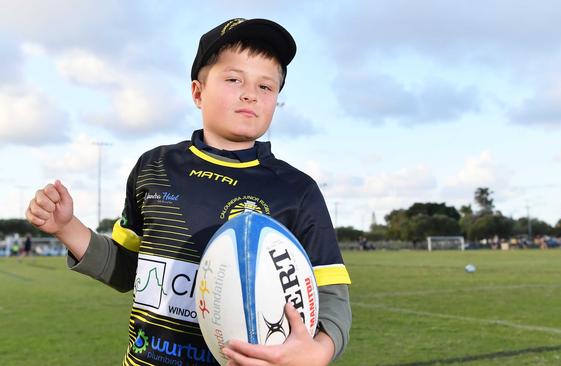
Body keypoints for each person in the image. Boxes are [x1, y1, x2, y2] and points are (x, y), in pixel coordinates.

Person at [25, 18, 351, 366]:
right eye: (233, 79)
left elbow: (331, 296)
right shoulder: (155, 167)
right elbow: (128, 269)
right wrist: (66, 227)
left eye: (266, 87)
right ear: (198, 92)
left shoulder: (296, 190)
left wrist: (317, 352)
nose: (250, 93)